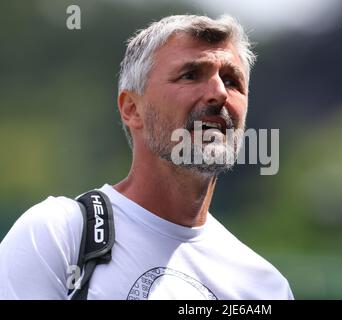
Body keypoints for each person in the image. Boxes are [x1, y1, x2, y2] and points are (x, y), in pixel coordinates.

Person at [0, 14, 294, 300]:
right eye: (190, 75)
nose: (218, 93)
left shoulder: (263, 287)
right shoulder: (59, 236)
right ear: (132, 109)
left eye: (231, 81)